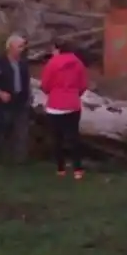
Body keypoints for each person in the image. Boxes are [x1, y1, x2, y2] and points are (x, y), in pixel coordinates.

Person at [39, 46, 90, 179]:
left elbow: (45, 85)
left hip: (55, 105)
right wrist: (74, 93)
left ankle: (60, 169)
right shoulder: (78, 63)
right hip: (72, 104)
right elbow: (83, 85)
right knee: (73, 138)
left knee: (57, 138)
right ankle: (78, 170)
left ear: (57, 49)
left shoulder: (52, 63)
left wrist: (53, 92)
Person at [0, 34, 31, 163]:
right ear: (10, 47)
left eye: (23, 46)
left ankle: (19, 163)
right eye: (19, 46)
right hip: (3, 103)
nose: (22, 49)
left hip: (20, 102)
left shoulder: (23, 64)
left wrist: (29, 98)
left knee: (21, 133)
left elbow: (27, 82)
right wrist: (0, 93)